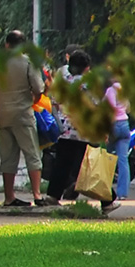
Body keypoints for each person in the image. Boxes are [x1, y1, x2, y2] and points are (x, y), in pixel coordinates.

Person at [0, 30, 50, 206]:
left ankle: (9, 197)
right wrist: (34, 100)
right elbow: (38, 89)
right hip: (23, 114)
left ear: (7, 45)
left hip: (4, 114)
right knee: (32, 154)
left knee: (8, 157)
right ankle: (37, 195)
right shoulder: (28, 63)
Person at [45, 48, 93, 204]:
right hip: (83, 130)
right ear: (86, 68)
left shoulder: (63, 80)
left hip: (65, 128)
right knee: (84, 164)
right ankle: (107, 200)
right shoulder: (88, 83)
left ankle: (53, 195)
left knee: (61, 163)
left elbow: (54, 100)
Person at [105, 73, 130, 212]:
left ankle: (104, 189)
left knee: (105, 157)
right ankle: (123, 193)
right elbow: (127, 108)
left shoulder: (111, 90)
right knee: (123, 160)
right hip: (125, 124)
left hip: (114, 124)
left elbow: (110, 109)